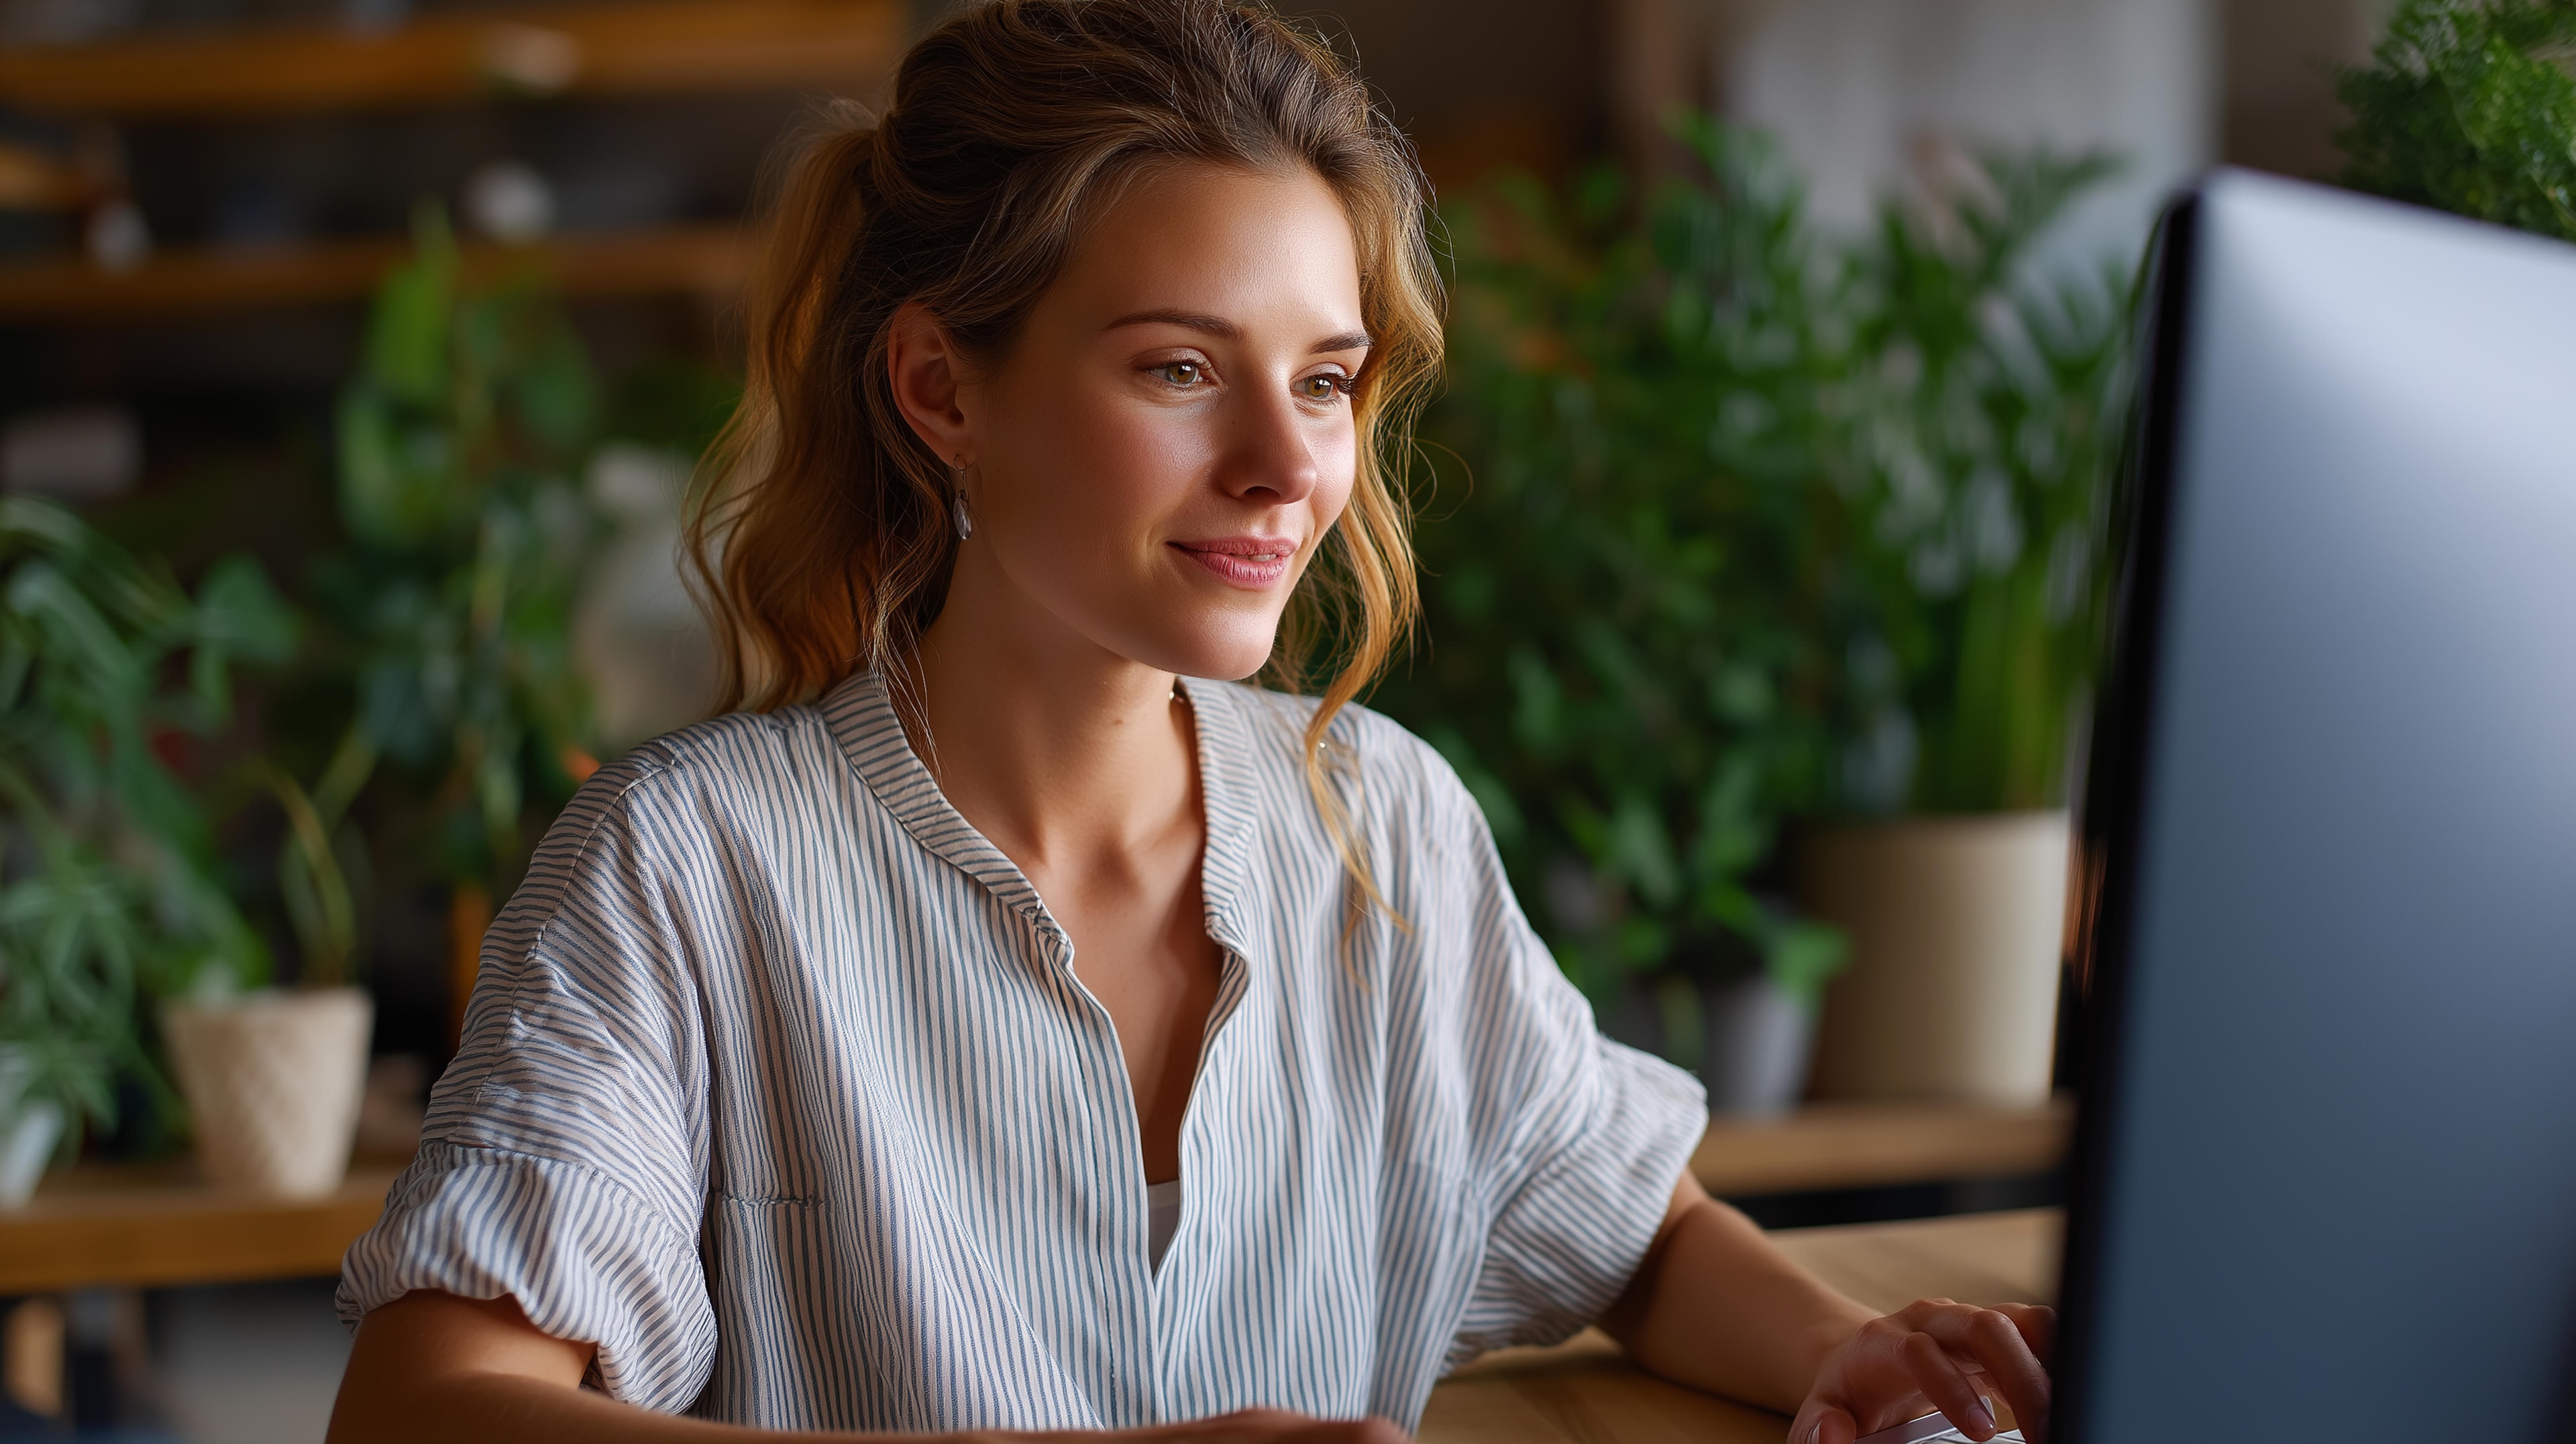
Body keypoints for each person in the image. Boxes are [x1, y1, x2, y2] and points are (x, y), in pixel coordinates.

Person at [325, 2, 2055, 1441]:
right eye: (1176, 367)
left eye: (1324, 379)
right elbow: (421, 1410)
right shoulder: (687, 869)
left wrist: (1844, 1348)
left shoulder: (1383, 822)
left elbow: (1630, 1230)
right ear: (939, 388)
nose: (1290, 466)